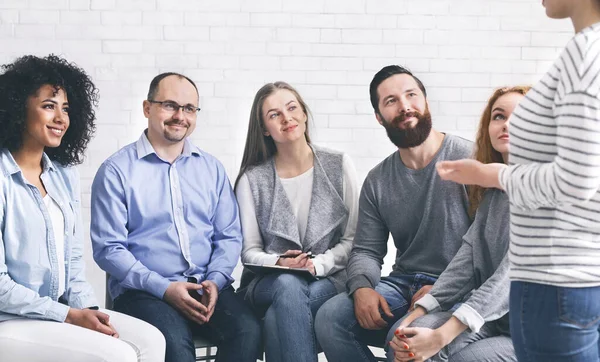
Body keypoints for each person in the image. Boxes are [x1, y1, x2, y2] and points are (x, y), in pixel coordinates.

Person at [436, 1, 600, 361]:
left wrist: (490, 174)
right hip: (566, 283)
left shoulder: (586, 55)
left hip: (555, 284)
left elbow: (578, 179)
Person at [0, 54, 165, 362]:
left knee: (152, 340)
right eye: (49, 106)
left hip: (62, 309)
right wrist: (69, 316)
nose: (61, 118)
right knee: (117, 356)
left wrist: (88, 310)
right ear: (18, 108)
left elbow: (74, 263)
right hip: (10, 318)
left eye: (66, 108)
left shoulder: (63, 174)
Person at [90, 72, 261, 362]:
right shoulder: (116, 171)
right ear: (147, 108)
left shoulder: (211, 169)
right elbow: (109, 249)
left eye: (189, 108)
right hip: (144, 292)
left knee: (249, 332)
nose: (179, 116)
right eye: (169, 105)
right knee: (174, 343)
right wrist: (164, 288)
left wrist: (216, 280)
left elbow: (229, 235)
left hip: (206, 287)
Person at [314, 65, 473, 362]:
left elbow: (489, 251)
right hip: (402, 283)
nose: (404, 106)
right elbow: (366, 250)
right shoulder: (378, 180)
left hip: (458, 286)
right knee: (330, 318)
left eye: (411, 95)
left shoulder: (469, 160)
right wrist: (361, 287)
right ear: (379, 117)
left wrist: (445, 288)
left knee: (401, 338)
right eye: (391, 101)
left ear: (425, 100)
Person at [387, 86, 530, 362]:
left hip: (532, 329)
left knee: (461, 359)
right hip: (492, 318)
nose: (507, 124)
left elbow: (508, 280)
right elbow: (466, 258)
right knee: (405, 338)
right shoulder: (493, 193)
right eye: (498, 116)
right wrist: (421, 310)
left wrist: (442, 336)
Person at [234, 81, 359, 362]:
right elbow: (249, 252)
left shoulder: (338, 164)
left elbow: (354, 240)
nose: (286, 118)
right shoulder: (252, 179)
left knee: (277, 317)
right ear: (265, 128)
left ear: (304, 114)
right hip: (267, 283)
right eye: (274, 114)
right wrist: (280, 263)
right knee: (288, 284)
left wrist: (317, 265)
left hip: (329, 277)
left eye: (292, 108)